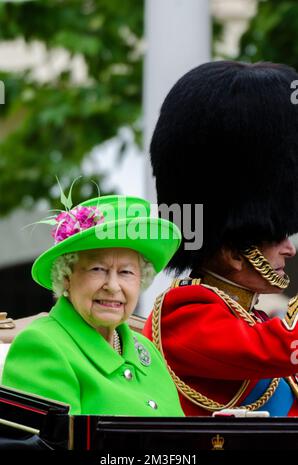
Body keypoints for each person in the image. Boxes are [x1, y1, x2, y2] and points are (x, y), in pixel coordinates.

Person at [143, 60, 298, 417]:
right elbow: (272, 349)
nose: (289, 248)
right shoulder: (182, 315)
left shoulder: (250, 317)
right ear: (232, 252)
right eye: (277, 238)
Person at [2, 194, 184, 417]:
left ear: (140, 280)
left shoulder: (148, 352)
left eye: (126, 272)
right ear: (66, 275)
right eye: (98, 269)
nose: (113, 286)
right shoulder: (41, 346)